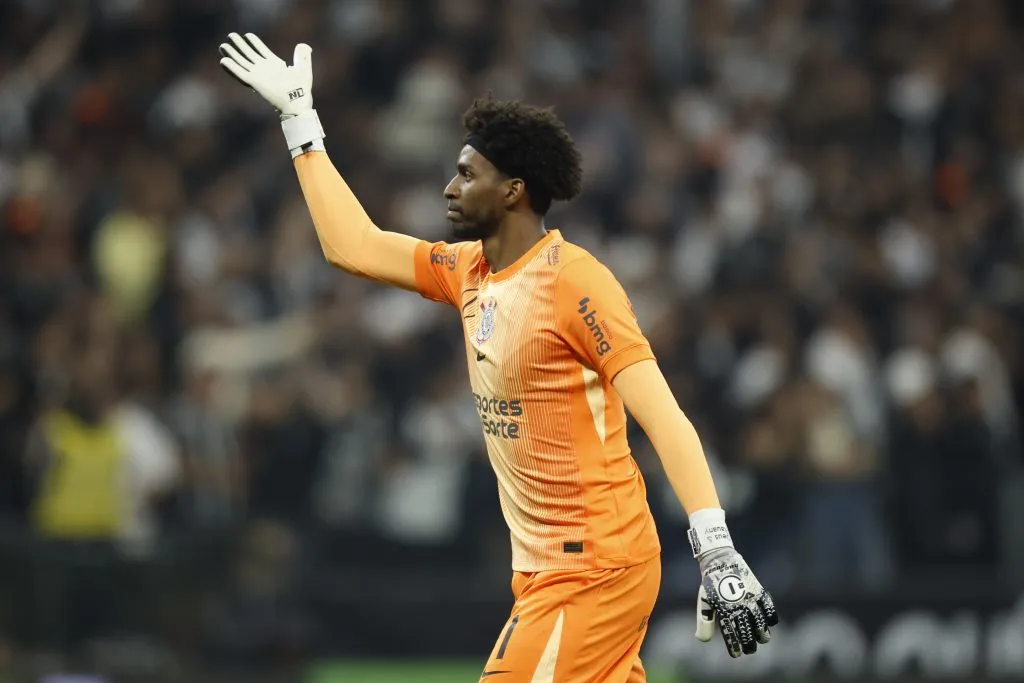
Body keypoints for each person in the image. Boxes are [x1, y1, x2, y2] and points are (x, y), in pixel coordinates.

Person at [218, 32, 778, 682]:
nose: (448, 186)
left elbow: (664, 416)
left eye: (466, 173)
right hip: (550, 568)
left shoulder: (576, 281)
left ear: (512, 190)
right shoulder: (468, 271)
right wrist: (300, 121)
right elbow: (355, 244)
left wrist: (715, 549)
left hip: (592, 565)